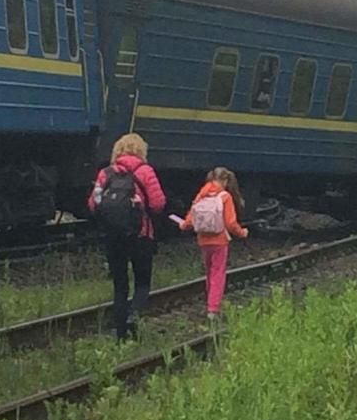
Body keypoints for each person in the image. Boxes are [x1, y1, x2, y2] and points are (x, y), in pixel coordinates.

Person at [88, 133, 166, 340]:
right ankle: (134, 313)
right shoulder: (145, 171)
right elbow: (158, 204)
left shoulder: (106, 173)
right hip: (141, 235)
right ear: (141, 151)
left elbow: (93, 203)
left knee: (120, 285)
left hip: (113, 237)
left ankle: (120, 335)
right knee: (142, 283)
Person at [180, 167, 248, 320]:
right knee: (218, 273)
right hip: (219, 241)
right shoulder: (225, 197)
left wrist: (184, 224)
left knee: (209, 272)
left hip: (203, 240)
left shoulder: (202, 194)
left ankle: (210, 302)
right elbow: (230, 223)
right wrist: (242, 232)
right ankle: (213, 308)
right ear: (224, 181)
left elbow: (191, 217)